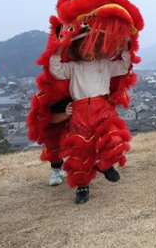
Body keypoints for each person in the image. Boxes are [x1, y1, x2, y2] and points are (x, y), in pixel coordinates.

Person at [50, 34, 132, 204]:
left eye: (90, 45)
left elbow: (124, 67)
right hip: (79, 111)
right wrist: (59, 46)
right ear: (76, 49)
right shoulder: (72, 67)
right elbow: (55, 70)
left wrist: (125, 47)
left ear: (96, 46)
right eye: (82, 46)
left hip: (102, 107)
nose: (86, 50)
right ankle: (82, 188)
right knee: (80, 151)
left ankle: (104, 165)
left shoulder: (105, 64)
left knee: (114, 139)